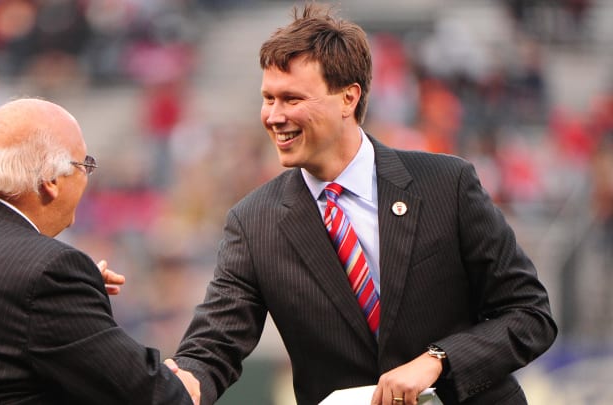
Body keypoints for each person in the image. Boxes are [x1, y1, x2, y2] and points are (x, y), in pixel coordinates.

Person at [169, 4, 557, 405]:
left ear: (348, 98)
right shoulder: (253, 223)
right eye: (268, 98)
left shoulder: (447, 184)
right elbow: (213, 346)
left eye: (291, 99)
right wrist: (184, 382)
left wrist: (438, 360)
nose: (273, 116)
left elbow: (530, 315)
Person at [0, 98, 200, 404]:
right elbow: (153, 395)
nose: (86, 179)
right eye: (85, 166)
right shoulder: (48, 273)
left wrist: (77, 292)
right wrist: (184, 382)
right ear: (51, 181)